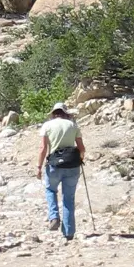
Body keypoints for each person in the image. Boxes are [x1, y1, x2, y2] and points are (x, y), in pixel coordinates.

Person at [37, 102, 85, 240]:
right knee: (68, 198)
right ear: (66, 113)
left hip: (54, 165)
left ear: (53, 113)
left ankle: (54, 217)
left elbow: (43, 148)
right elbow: (82, 148)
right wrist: (80, 159)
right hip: (72, 165)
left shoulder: (47, 125)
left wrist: (39, 167)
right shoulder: (73, 125)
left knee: (50, 190)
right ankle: (69, 232)